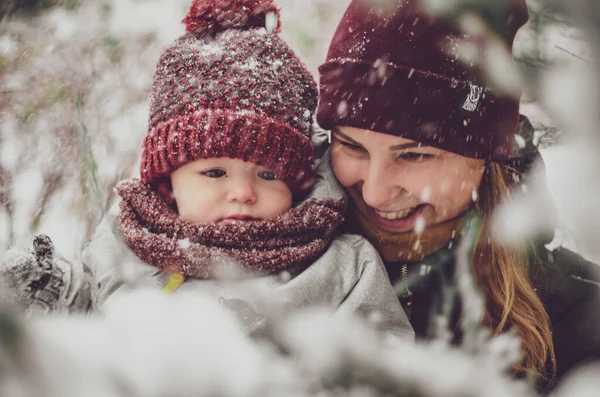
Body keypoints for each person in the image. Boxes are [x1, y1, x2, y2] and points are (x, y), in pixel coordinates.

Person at [0, 0, 412, 339]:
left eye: (269, 175)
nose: (243, 192)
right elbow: (89, 334)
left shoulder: (338, 266)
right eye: (215, 173)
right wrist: (58, 293)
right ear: (168, 183)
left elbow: (384, 366)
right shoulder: (126, 249)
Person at [315, 0, 600, 390]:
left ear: (486, 158)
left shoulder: (579, 316)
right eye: (352, 146)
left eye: (414, 155)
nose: (376, 192)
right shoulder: (280, 259)